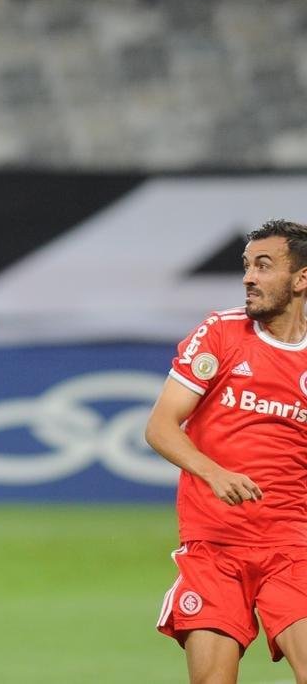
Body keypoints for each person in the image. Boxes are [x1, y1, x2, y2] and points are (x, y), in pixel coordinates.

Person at [146, 219, 307, 683]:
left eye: (264, 266)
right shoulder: (221, 333)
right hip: (214, 549)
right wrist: (213, 473)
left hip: (291, 549)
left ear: (301, 279)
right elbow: (160, 426)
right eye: (246, 266)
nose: (248, 278)